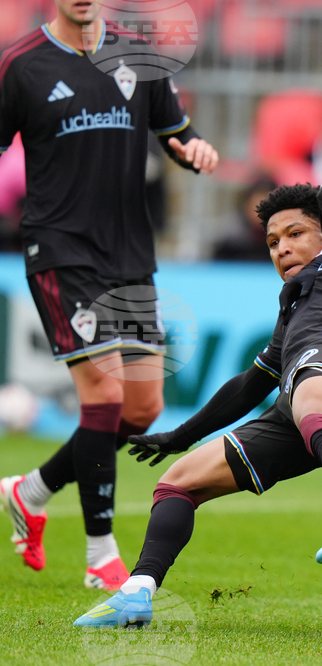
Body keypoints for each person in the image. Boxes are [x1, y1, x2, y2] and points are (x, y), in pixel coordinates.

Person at [74, 162, 322, 627]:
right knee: (178, 482)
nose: (282, 248)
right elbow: (254, 381)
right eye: (272, 242)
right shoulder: (292, 303)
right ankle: (137, 592)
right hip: (297, 399)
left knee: (310, 393)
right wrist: (181, 436)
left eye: (295, 233)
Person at [0, 0, 218, 589]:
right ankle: (101, 556)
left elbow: (176, 129)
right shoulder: (19, 64)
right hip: (61, 250)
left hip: (129, 256)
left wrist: (193, 148)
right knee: (102, 393)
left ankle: (31, 490)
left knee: (141, 409)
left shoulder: (138, 57)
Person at [212, 174, 279, 262]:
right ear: (246, 205)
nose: (261, 213)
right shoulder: (230, 241)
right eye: (256, 206)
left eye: (267, 207)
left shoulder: (283, 244)